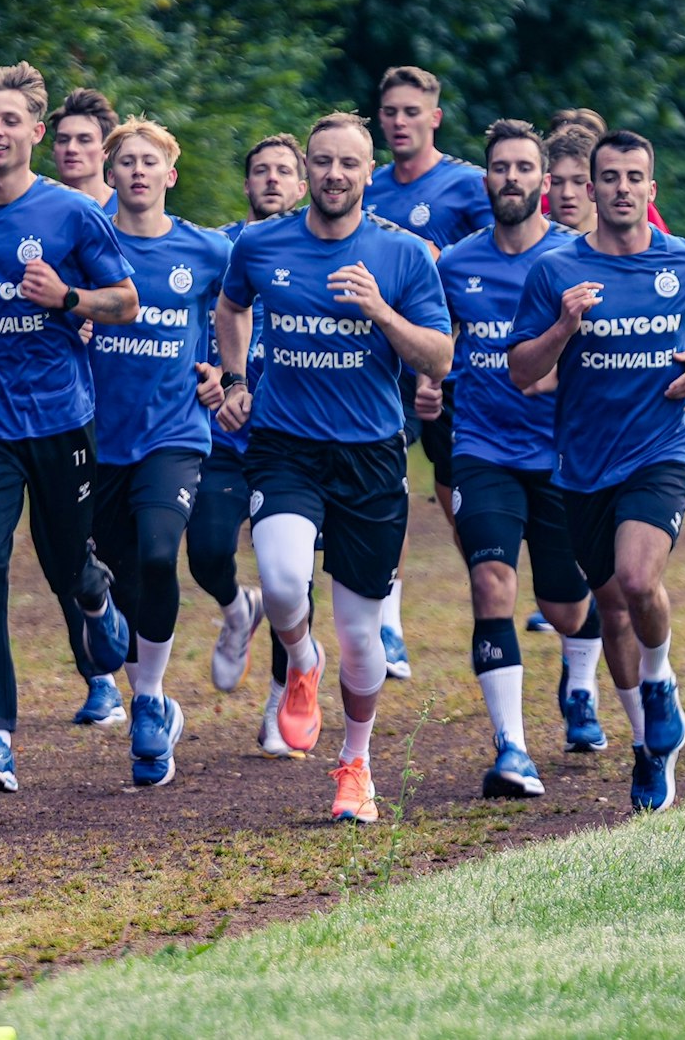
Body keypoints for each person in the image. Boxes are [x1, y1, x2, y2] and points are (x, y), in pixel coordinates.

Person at [213, 112, 452, 822]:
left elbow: (437, 357)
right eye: (322, 162)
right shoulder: (260, 243)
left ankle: (357, 763)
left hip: (372, 455)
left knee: (361, 637)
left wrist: (380, 310)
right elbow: (232, 308)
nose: (334, 175)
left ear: (368, 173)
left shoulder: (402, 256)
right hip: (286, 444)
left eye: (349, 163)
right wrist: (234, 380)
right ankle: (298, 660)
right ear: (306, 169)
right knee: (284, 582)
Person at [0, 61, 139, 793]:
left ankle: (95, 594)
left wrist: (68, 294)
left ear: (35, 133)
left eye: (11, 120)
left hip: (60, 418)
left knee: (66, 563)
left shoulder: (72, 214)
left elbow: (127, 300)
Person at [508, 129, 685, 811]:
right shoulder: (556, 272)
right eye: (606, 177)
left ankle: (661, 679)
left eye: (632, 177)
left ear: (650, 188)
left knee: (641, 578)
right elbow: (523, 372)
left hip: (662, 448)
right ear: (586, 187)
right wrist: (563, 326)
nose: (619, 188)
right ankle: (649, 747)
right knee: (610, 609)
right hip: (583, 465)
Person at [435, 119, 609, 799]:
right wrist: (430, 381)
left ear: (546, 180)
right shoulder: (456, 264)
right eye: (500, 168)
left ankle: (580, 675)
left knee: (566, 606)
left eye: (524, 168)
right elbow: (435, 343)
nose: (512, 178)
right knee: (491, 585)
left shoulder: (578, 258)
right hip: (483, 447)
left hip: (563, 454)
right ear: (487, 181)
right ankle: (512, 748)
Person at [86, 118, 233, 785]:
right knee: (117, 571)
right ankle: (142, 678)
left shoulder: (205, 251)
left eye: (151, 162)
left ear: (171, 175)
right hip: (97, 438)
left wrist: (226, 374)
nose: (138, 171)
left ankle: (148, 698)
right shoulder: (88, 245)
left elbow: (238, 308)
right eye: (127, 162)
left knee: (155, 552)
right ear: (110, 175)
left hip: (174, 434)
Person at [367, 65, 491, 678]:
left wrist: (438, 265)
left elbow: (495, 273)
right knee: (388, 487)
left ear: (434, 117)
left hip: (454, 369)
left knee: (455, 494)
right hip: (380, 366)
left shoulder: (469, 187)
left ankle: (491, 604)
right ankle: (389, 625)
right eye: (390, 112)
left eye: (411, 112)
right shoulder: (367, 187)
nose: (398, 122)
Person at [193, 133, 309, 758]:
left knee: (288, 574)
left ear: (301, 185)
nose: (270, 180)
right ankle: (237, 607)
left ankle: (278, 704)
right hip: (223, 435)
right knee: (207, 551)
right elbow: (184, 315)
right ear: (246, 184)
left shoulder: (318, 250)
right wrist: (205, 375)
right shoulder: (220, 248)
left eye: (283, 172)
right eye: (259, 171)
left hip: (292, 443)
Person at [48, 88, 119, 210]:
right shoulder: (38, 208)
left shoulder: (131, 211)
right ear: (54, 149)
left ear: (107, 149)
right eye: (63, 140)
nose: (71, 148)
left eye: (84, 140)